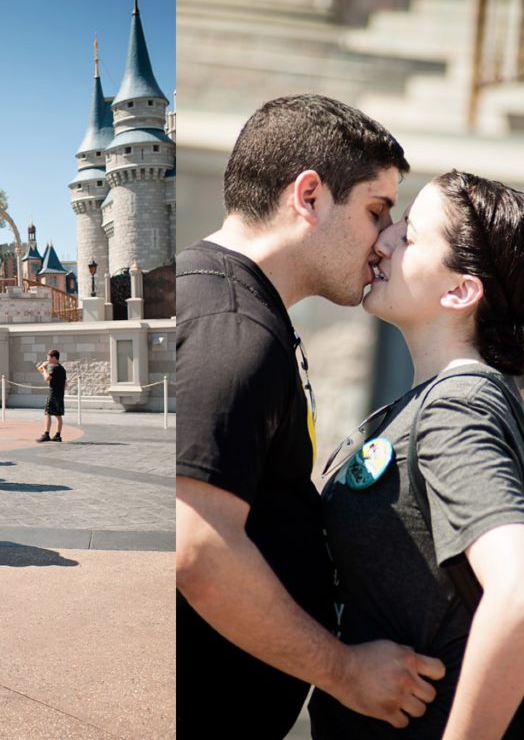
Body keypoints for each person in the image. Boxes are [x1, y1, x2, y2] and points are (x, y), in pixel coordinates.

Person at [176, 94, 445, 739]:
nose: (385, 242)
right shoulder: (235, 329)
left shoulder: (226, 302)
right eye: (377, 211)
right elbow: (198, 546)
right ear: (310, 196)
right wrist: (345, 671)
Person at [309, 170, 524, 740]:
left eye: (410, 235)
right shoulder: (447, 397)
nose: (383, 241)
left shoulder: (458, 406)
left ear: (459, 291)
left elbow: (523, 593)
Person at [35, 350, 66, 442]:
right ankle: (58, 435)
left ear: (53, 357)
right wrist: (43, 367)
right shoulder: (61, 368)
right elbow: (65, 383)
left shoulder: (53, 368)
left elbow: (47, 378)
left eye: (48, 357)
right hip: (60, 395)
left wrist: (44, 369)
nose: (47, 358)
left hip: (53, 394)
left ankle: (46, 434)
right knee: (58, 415)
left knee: (48, 413)